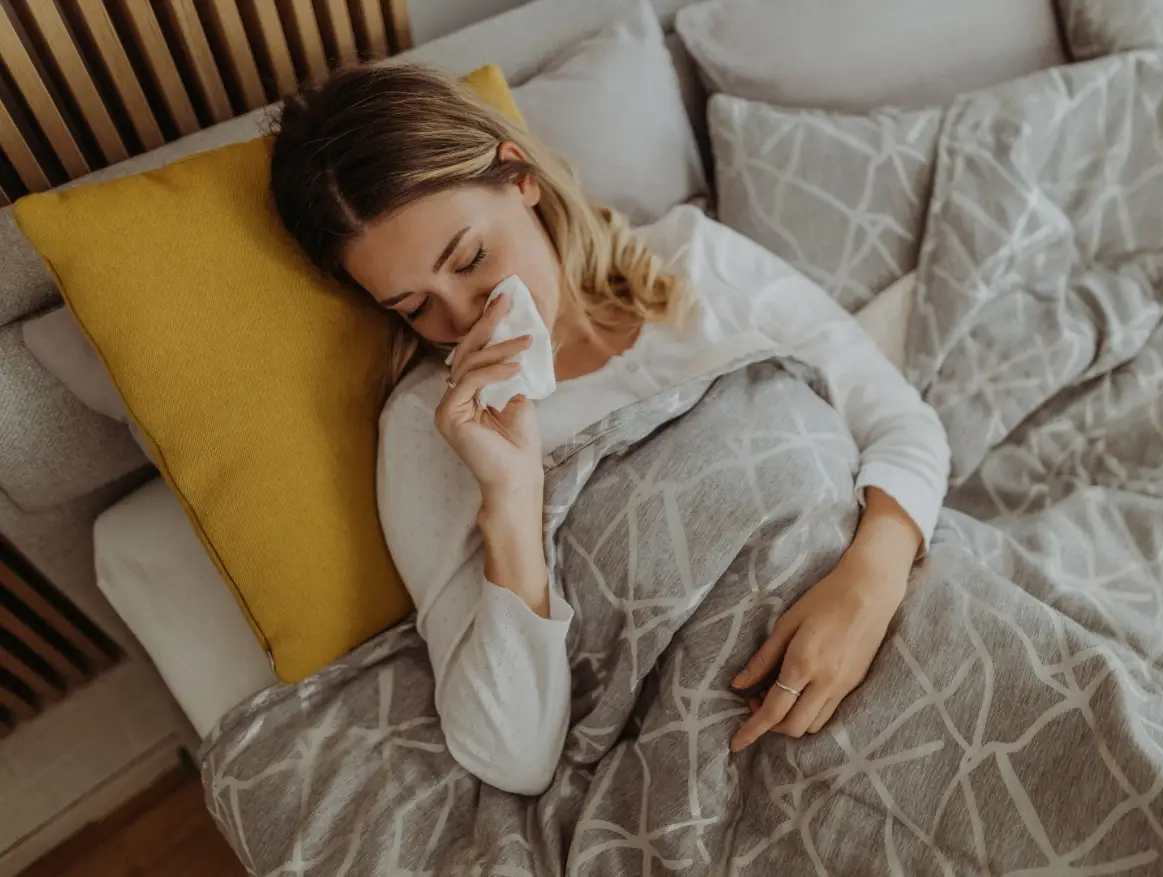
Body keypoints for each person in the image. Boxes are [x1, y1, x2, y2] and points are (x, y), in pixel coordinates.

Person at [269, 64, 951, 795]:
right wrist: (511, 497)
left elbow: (901, 420)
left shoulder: (693, 258)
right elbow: (512, 755)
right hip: (745, 755)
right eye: (414, 306)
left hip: (913, 607)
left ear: (518, 178)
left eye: (471, 259)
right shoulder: (429, 427)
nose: (465, 318)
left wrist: (871, 581)